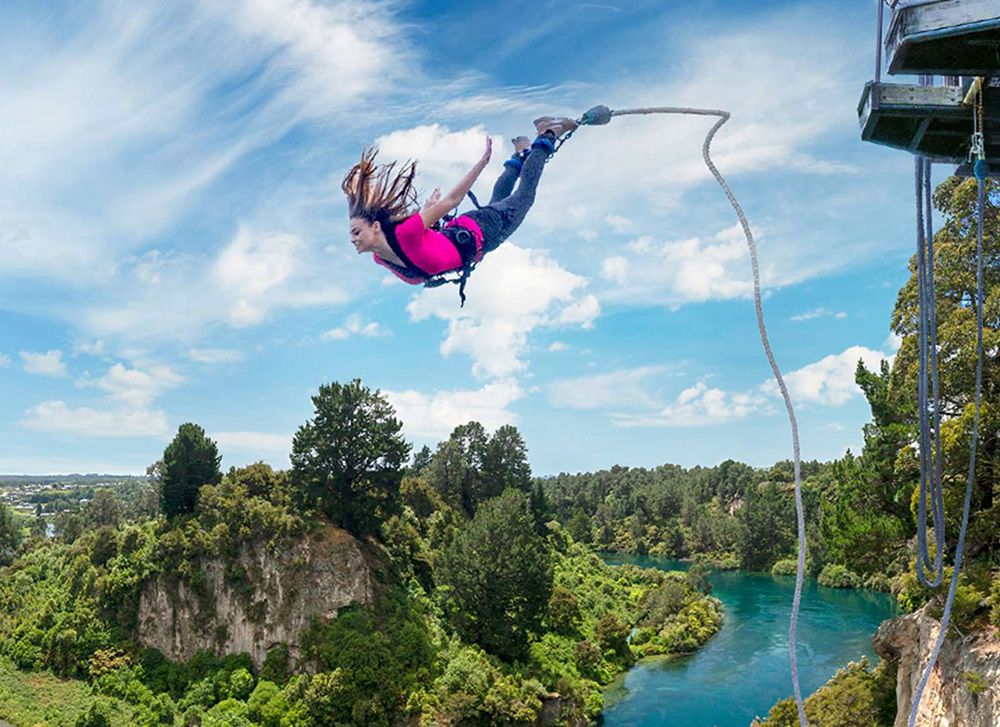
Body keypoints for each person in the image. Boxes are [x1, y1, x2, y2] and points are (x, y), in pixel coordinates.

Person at [343, 116, 579, 296]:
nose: (353, 239)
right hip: (472, 238)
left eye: (356, 231)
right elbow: (429, 251)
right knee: (499, 200)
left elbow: (452, 200)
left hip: (483, 231)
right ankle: (521, 156)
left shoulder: (405, 233)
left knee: (524, 197)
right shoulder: (381, 259)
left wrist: (482, 163)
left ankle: (548, 132)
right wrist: (429, 219)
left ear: (375, 227)